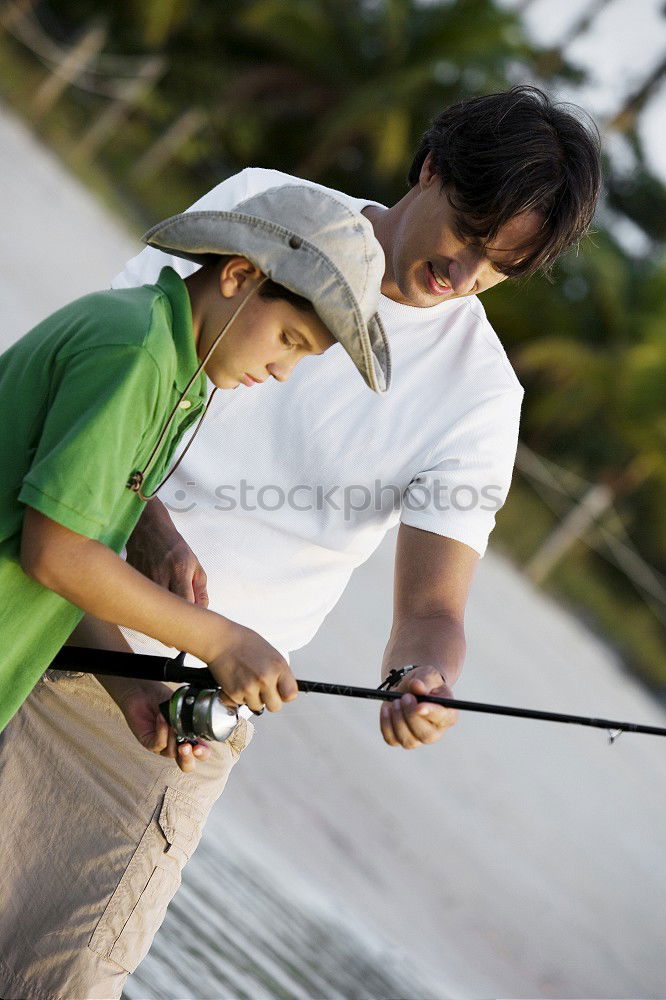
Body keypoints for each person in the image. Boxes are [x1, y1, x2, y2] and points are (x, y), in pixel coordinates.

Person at [0, 86, 601, 1000]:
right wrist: (149, 527)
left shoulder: (481, 399)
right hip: (43, 609)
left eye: (500, 265)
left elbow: (433, 610)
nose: (466, 271)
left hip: (164, 717)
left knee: (65, 977)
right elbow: (111, 386)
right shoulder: (266, 209)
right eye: (469, 232)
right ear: (432, 167)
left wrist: (421, 679)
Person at [0, 184, 389, 738]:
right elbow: (56, 554)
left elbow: (59, 552)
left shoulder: (173, 368)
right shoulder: (133, 352)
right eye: (288, 338)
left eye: (303, 356)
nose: (283, 371)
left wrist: (136, 689)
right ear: (238, 275)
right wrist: (219, 639)